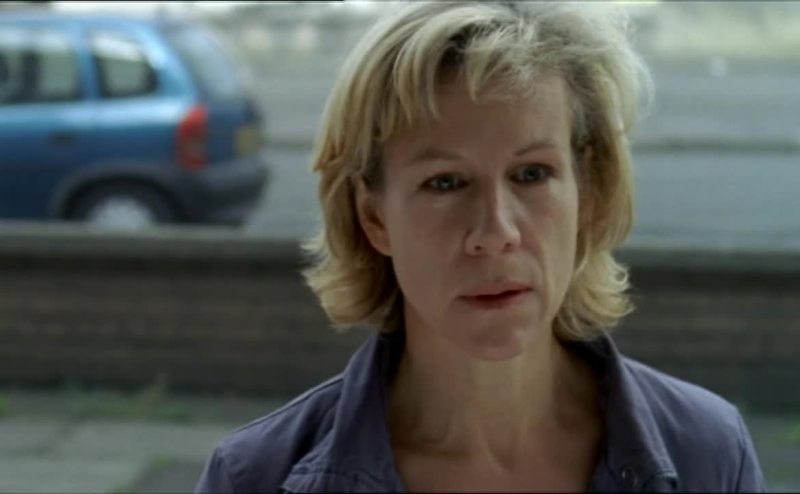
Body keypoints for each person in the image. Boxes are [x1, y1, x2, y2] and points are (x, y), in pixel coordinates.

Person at [196, 2, 766, 492]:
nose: (496, 232)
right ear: (374, 217)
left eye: (532, 174)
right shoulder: (255, 478)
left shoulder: (709, 455)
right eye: (445, 182)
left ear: (588, 192)